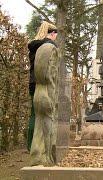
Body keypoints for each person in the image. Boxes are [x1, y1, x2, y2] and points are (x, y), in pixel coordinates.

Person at [27, 21, 58, 152]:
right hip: (45, 84)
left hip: (33, 83)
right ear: (52, 33)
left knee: (34, 114)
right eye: (56, 34)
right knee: (44, 116)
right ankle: (42, 147)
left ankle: (30, 145)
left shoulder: (34, 46)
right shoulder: (49, 46)